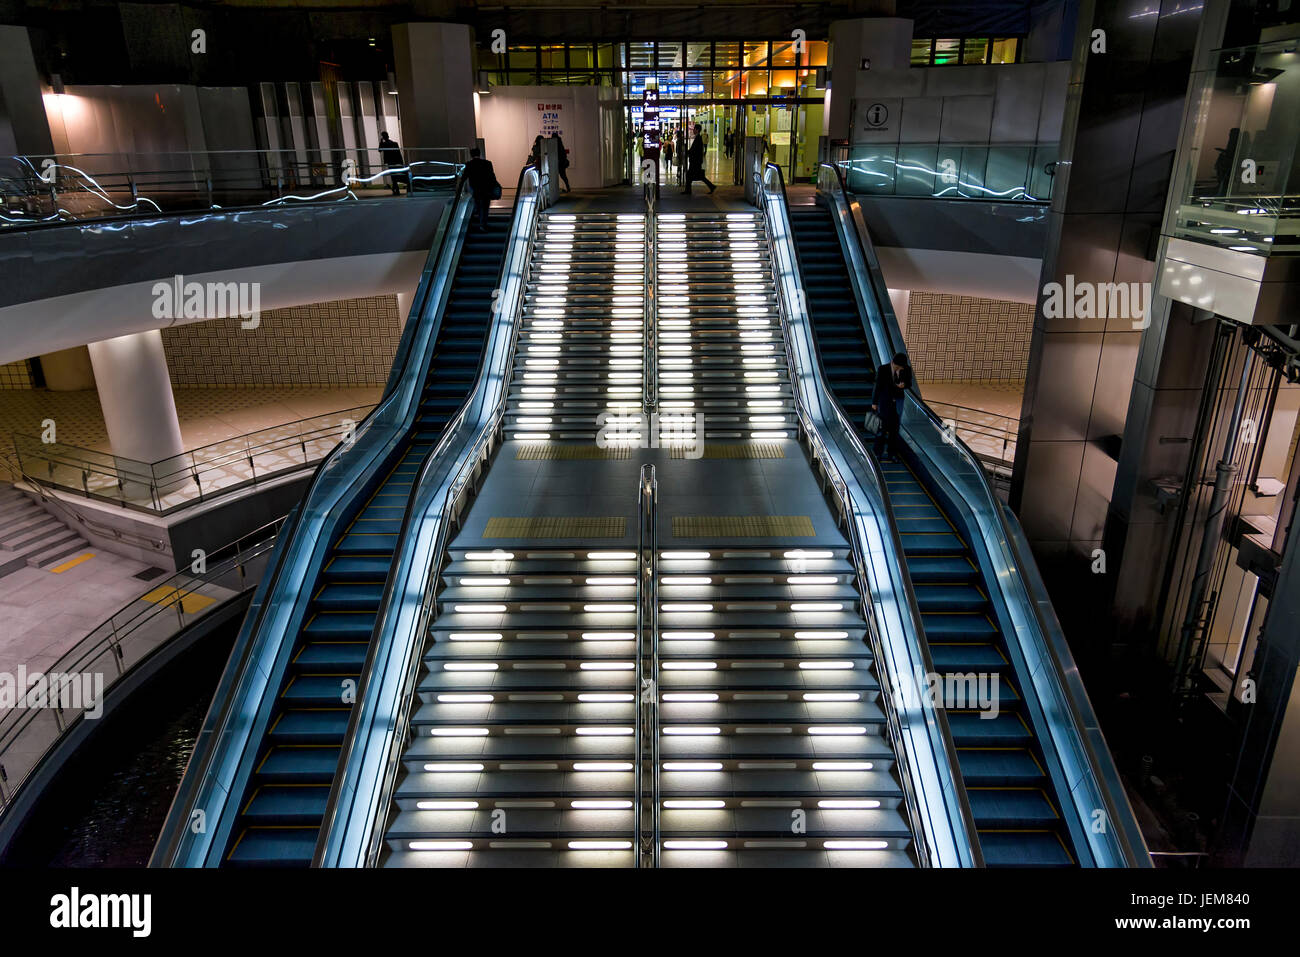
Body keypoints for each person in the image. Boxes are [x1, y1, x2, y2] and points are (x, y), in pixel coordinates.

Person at [870, 352, 912, 462]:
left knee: (895, 429)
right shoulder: (883, 369)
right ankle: (877, 453)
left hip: (898, 401)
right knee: (881, 428)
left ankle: (891, 454)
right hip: (885, 402)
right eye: (897, 366)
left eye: (901, 367)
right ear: (892, 362)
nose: (899, 368)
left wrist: (903, 384)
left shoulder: (906, 369)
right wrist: (874, 402)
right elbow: (877, 386)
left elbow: (909, 383)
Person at [464, 147, 499, 230]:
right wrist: (495, 185)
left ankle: (481, 222)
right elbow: (492, 176)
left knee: (479, 206)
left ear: (471, 155)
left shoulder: (469, 164)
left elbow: (464, 177)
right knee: (485, 207)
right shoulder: (487, 163)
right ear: (479, 154)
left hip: (475, 189)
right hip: (486, 188)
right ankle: (483, 224)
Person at [682, 123, 715, 195]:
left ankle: (688, 191)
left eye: (694, 129)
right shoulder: (698, 138)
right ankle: (711, 186)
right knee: (697, 176)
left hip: (695, 161)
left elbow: (695, 150)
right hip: (696, 161)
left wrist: (688, 152)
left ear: (697, 130)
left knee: (690, 175)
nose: (693, 130)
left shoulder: (698, 138)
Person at [379, 131, 406, 195]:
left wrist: (381, 141)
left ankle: (396, 189)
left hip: (390, 161)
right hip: (396, 161)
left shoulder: (384, 144)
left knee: (393, 175)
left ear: (383, 137)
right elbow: (398, 153)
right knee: (394, 175)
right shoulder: (394, 143)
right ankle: (395, 188)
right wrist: (401, 161)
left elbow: (379, 150)